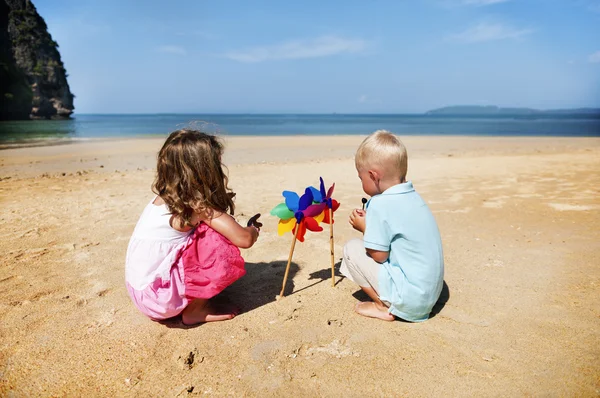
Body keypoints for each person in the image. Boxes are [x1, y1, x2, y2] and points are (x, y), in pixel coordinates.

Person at [125, 129, 261, 325]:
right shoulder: (196, 207)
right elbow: (243, 239)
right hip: (160, 300)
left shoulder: (164, 198)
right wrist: (252, 229)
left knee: (205, 231)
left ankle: (191, 298)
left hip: (141, 292)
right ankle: (195, 310)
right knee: (215, 236)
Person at [341, 130, 444, 322]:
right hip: (428, 295)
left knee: (351, 249)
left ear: (373, 176)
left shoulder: (380, 204)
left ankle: (383, 306)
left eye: (361, 178)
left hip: (409, 301)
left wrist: (365, 228)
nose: (361, 182)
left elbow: (380, 256)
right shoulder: (413, 197)